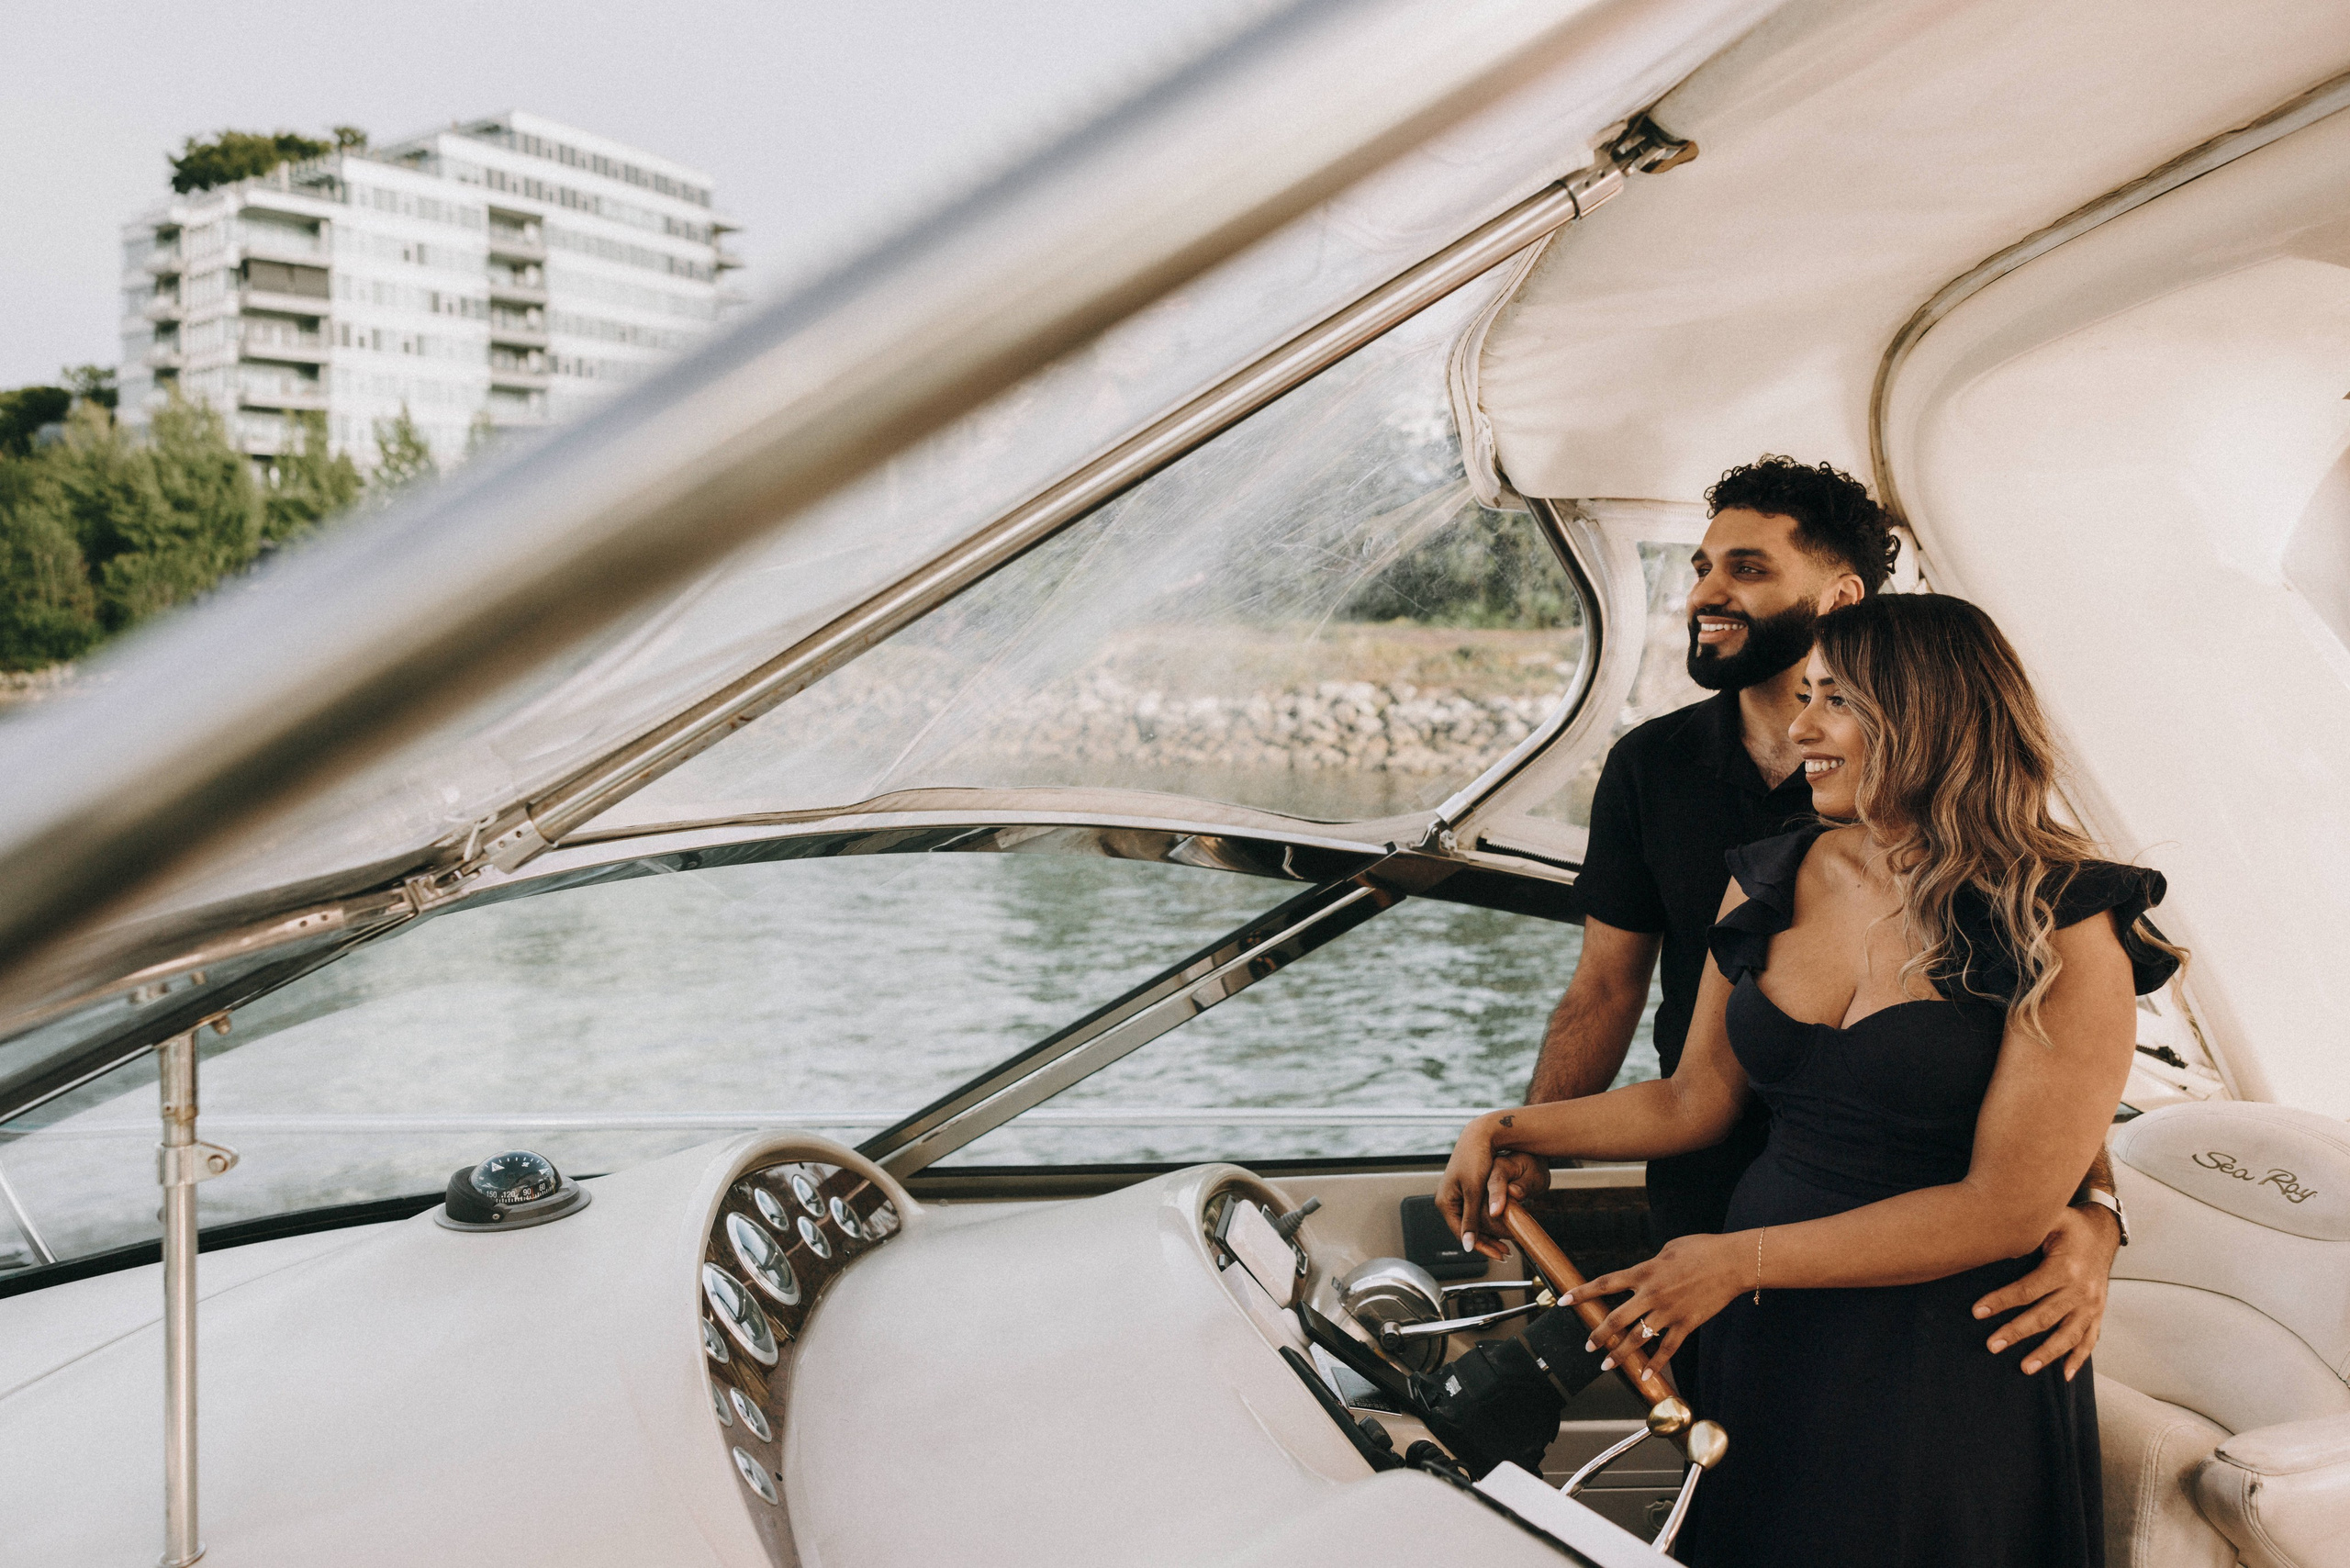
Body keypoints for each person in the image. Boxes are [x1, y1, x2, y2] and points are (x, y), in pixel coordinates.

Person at [1440, 593, 2178, 1566]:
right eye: (1806, 697)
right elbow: (1691, 1100)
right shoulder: (1771, 874)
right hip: (1770, 1340)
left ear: (1924, 716)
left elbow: (2002, 1207)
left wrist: (1733, 1260)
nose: (1801, 729)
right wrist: (1509, 1127)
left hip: (1943, 1357)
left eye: (1836, 701)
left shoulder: (2066, 923)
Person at [1496, 456, 2123, 1388]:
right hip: (1711, 1210)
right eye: (1701, 566)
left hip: (1923, 1249)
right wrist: (1521, 1138)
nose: (1705, 592)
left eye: (1745, 569)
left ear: (1842, 600)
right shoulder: (1655, 771)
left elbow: (2034, 1063)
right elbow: (1605, 991)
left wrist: (2096, 1217)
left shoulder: (2032, 893)